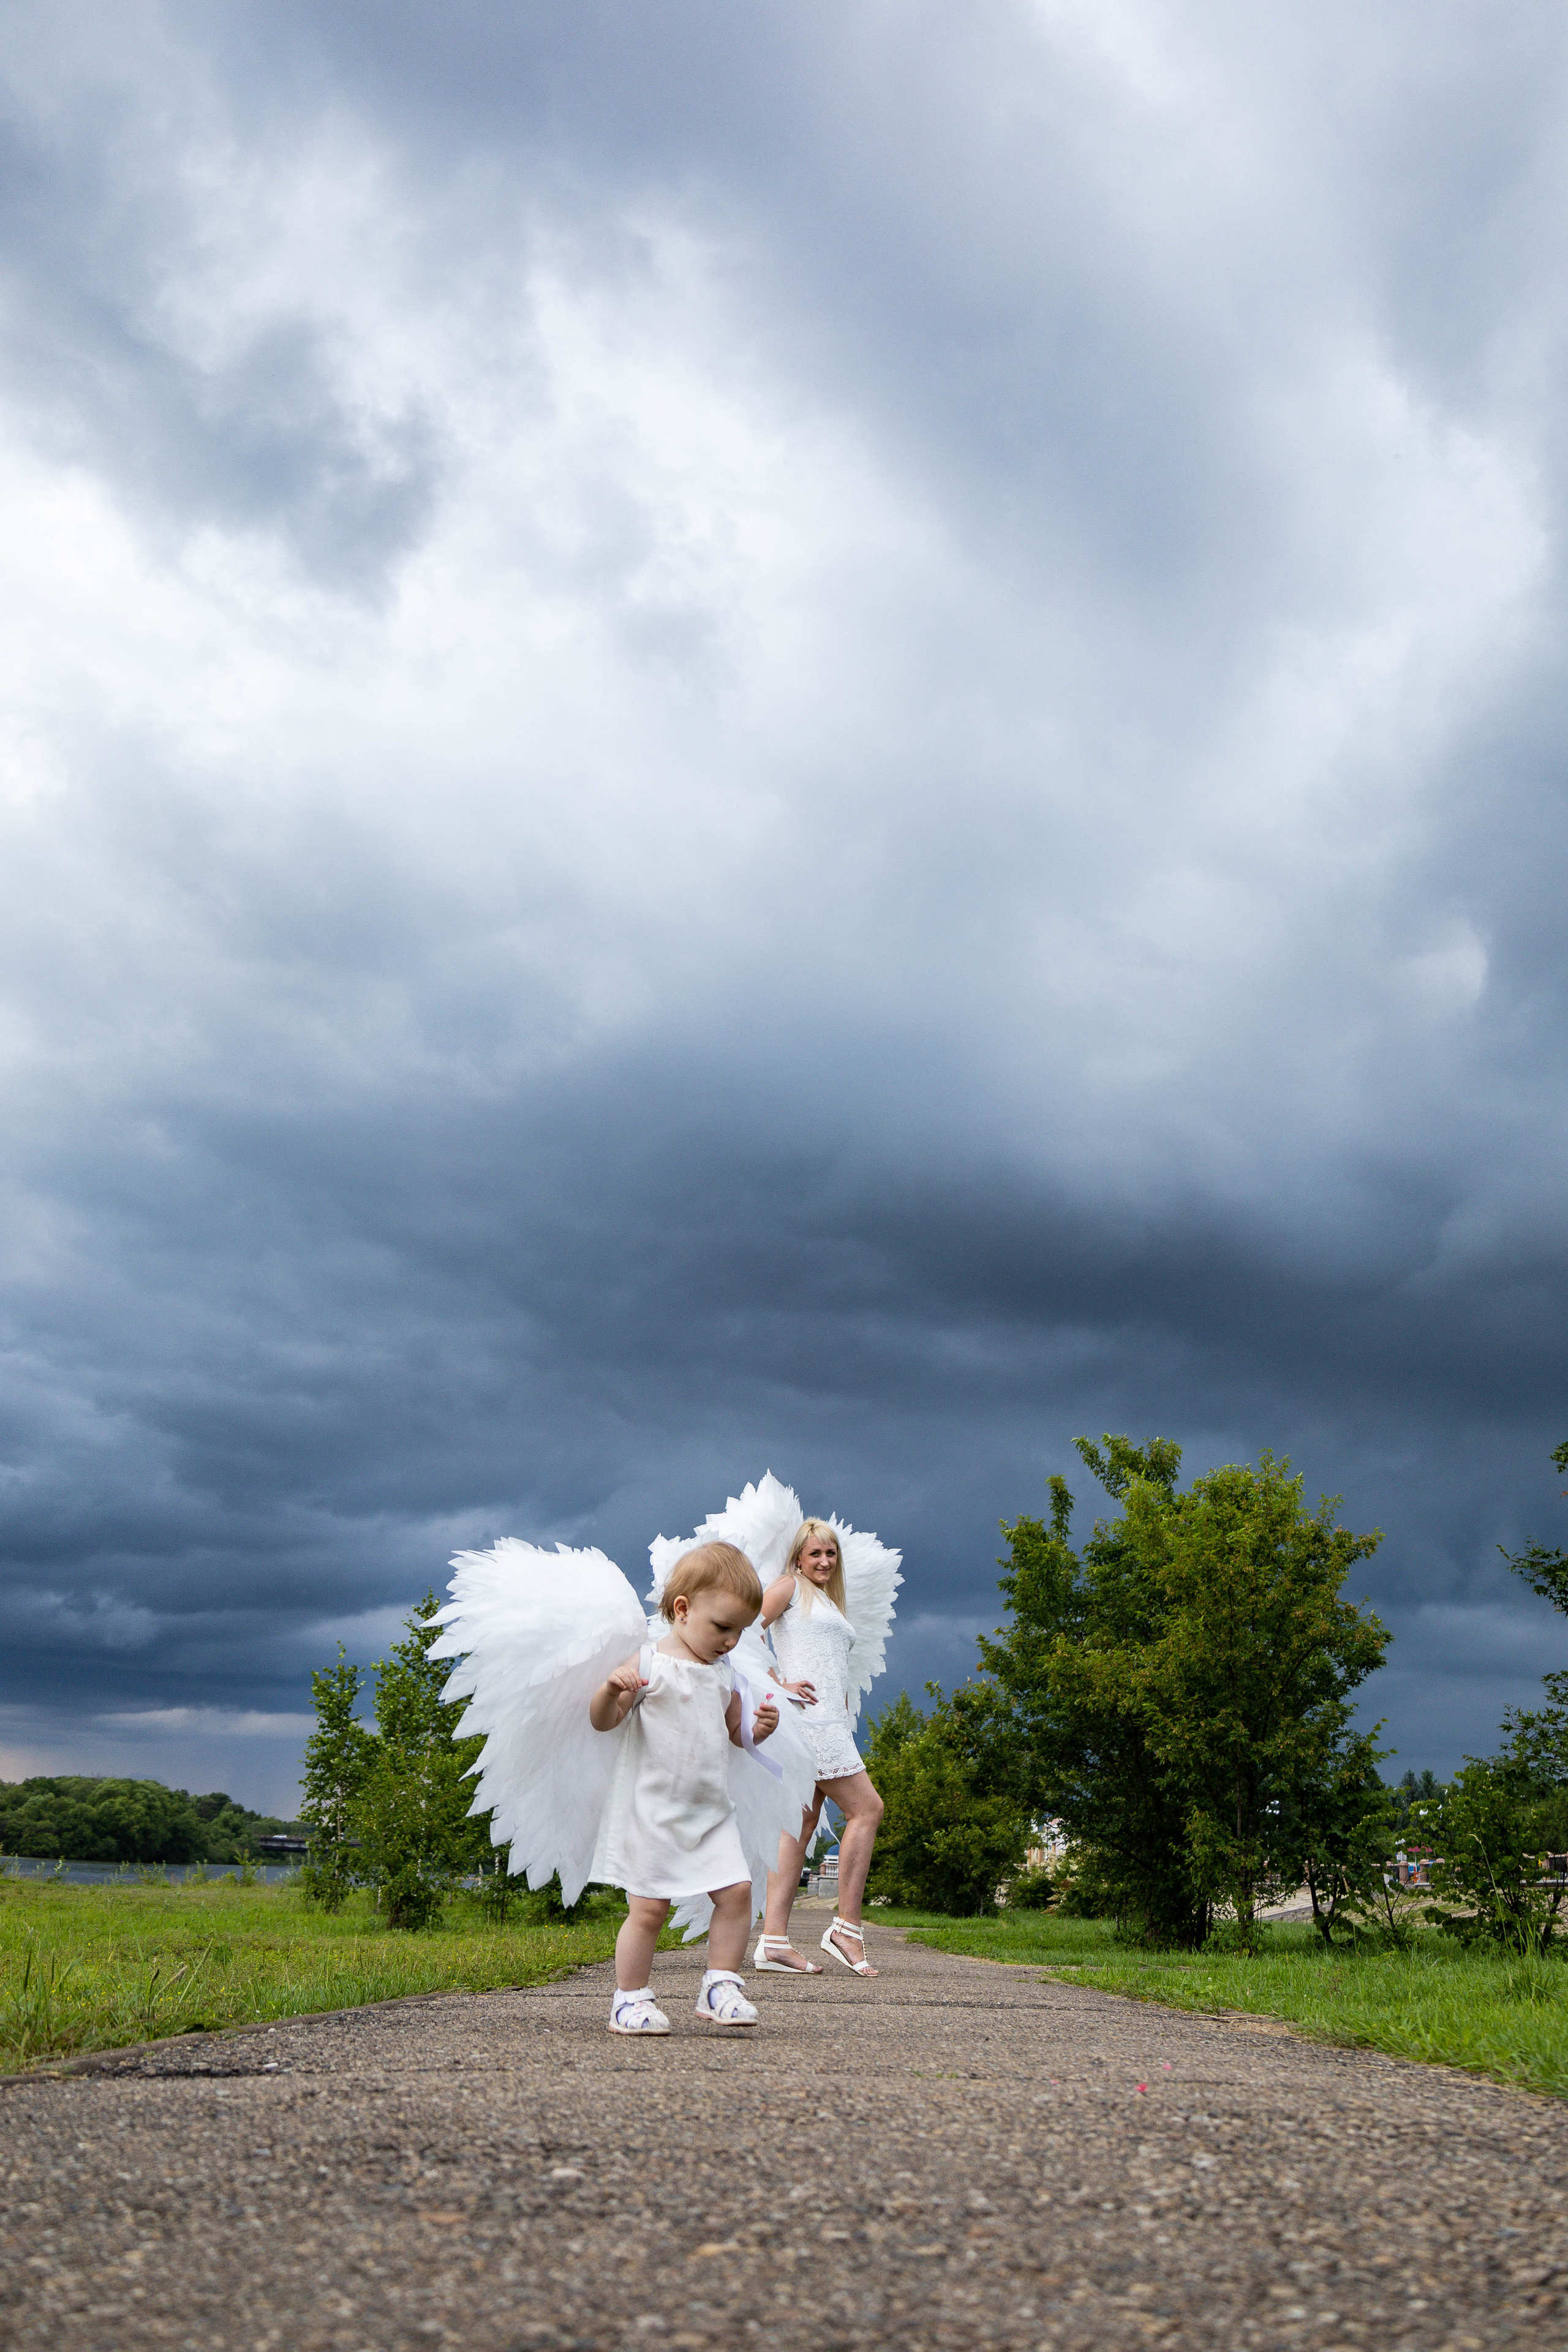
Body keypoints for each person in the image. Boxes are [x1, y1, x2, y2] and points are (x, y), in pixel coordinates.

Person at [589, 1541, 780, 2034]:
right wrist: (611, 1691)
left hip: (710, 1812)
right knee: (649, 1909)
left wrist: (758, 1730)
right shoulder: (649, 1665)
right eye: (722, 1627)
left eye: (739, 1631)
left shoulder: (724, 1672)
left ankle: (720, 1985)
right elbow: (604, 1723)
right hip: (652, 1812)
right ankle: (628, 1999)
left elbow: (734, 1733)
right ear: (682, 1609)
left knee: (737, 1893)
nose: (731, 1641)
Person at [753, 1519, 885, 1977]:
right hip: (811, 1722)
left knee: (800, 1823)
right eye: (816, 1554)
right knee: (867, 1809)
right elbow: (748, 1632)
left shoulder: (827, 1600)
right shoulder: (788, 1586)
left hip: (831, 1722)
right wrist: (778, 1685)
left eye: (831, 1554)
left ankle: (773, 1941)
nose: (825, 1561)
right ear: (798, 1558)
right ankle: (846, 1928)